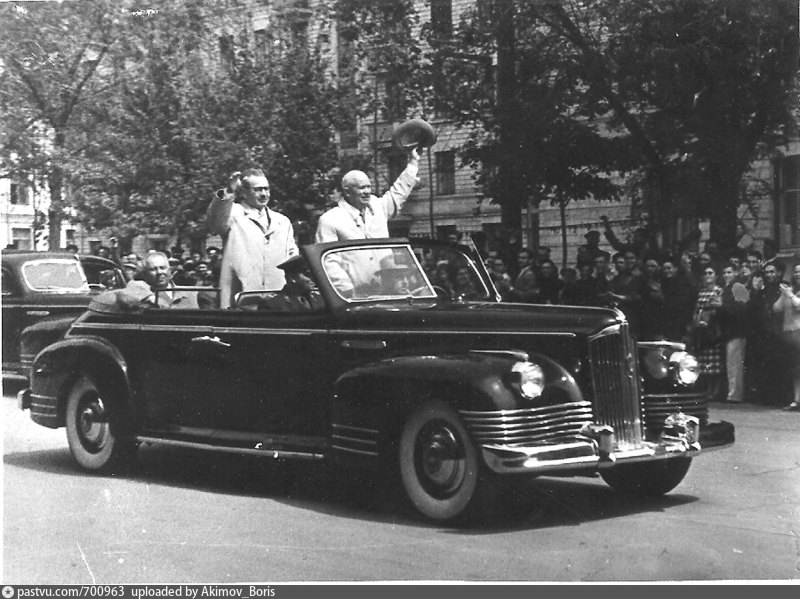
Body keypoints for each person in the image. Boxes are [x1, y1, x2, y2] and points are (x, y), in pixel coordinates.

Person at [207, 168, 298, 308]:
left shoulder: (282, 221)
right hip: (242, 298)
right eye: (258, 190)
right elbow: (215, 215)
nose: (264, 194)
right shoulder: (234, 214)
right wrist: (229, 190)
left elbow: (292, 256)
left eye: (266, 189)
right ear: (244, 192)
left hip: (278, 298)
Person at [315, 147, 420, 243]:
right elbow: (327, 256)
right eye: (361, 188)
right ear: (347, 192)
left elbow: (399, 192)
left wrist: (413, 162)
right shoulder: (330, 220)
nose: (367, 191)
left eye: (368, 187)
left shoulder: (379, 208)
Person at [115, 251, 199, 309]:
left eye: (162, 268)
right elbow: (127, 291)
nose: (159, 272)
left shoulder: (190, 294)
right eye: (153, 269)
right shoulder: (140, 290)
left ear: (169, 270)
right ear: (145, 273)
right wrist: (150, 298)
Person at [690, 266, 724, 401]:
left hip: (713, 328)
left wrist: (708, 320)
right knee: (705, 360)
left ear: (716, 276)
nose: (708, 275)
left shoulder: (719, 290)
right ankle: (708, 388)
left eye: (710, 273)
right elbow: (697, 309)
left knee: (715, 360)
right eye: (705, 273)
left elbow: (718, 308)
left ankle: (716, 390)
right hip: (701, 329)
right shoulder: (701, 292)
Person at [717, 265, 750, 403]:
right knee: (731, 363)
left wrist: (722, 305)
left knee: (735, 364)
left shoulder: (738, 287)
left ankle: (735, 395)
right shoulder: (725, 288)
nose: (726, 275)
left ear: (735, 272)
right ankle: (732, 393)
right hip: (728, 331)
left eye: (729, 272)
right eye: (724, 272)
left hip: (737, 331)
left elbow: (743, 309)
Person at [774, 263, 800, 411]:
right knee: (795, 368)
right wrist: (783, 295)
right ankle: (797, 399)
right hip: (789, 332)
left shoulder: (793, 293)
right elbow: (776, 308)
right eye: (796, 272)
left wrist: (790, 295)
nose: (798, 274)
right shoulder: (792, 290)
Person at [258, 255, 324, 311]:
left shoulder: (320, 298)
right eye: (308, 274)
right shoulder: (272, 304)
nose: (313, 279)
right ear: (292, 277)